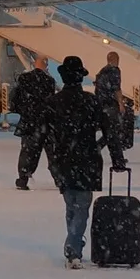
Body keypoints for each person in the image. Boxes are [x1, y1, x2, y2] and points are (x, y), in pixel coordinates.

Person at [41, 55, 111, 267]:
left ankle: (74, 246)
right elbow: (109, 131)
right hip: (86, 158)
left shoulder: (53, 102)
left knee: (71, 204)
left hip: (62, 159)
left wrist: (51, 157)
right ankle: (73, 247)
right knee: (81, 206)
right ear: (81, 78)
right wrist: (100, 148)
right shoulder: (91, 102)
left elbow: (44, 134)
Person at [8, 56, 54, 190]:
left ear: (34, 64)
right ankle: (59, 178)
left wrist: (23, 110)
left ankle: (23, 179)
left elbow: (15, 98)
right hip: (45, 122)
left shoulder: (24, 79)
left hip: (29, 121)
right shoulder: (49, 81)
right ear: (46, 66)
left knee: (28, 152)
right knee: (52, 152)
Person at [96, 49, 131, 173]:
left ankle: (99, 148)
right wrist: (121, 104)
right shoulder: (115, 71)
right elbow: (117, 89)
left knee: (109, 131)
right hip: (111, 105)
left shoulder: (102, 72)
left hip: (101, 104)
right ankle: (118, 160)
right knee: (113, 133)